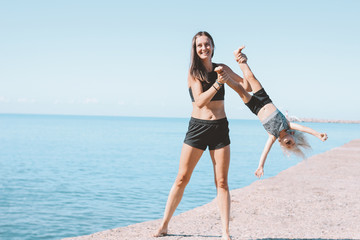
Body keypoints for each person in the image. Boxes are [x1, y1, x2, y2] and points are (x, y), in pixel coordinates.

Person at [153, 31, 240, 240]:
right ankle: (164, 225)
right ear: (195, 49)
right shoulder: (194, 73)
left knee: (222, 182)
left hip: (220, 128)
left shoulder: (223, 69)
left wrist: (242, 63)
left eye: (207, 44)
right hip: (198, 128)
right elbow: (200, 101)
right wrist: (219, 83)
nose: (204, 48)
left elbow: (244, 84)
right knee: (182, 178)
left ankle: (225, 233)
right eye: (199, 45)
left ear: (212, 46)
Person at [214, 46, 328, 179]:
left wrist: (261, 165)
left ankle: (221, 74)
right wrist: (317, 134)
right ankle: (239, 58)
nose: (289, 144)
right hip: (264, 99)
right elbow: (304, 128)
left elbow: (265, 151)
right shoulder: (288, 125)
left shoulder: (272, 136)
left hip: (255, 107)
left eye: (288, 146)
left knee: (240, 89)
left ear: (281, 143)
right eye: (292, 143)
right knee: (250, 76)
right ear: (292, 136)